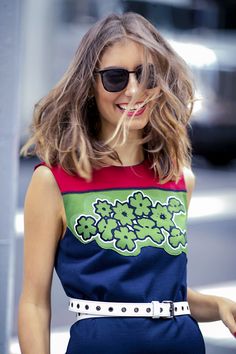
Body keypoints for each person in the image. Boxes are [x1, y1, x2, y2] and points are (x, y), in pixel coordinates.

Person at [18, 12, 236, 354]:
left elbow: (163, 293)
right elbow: (34, 303)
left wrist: (218, 305)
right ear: (89, 85)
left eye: (147, 75)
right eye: (115, 78)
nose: (134, 90)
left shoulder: (179, 179)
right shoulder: (54, 182)